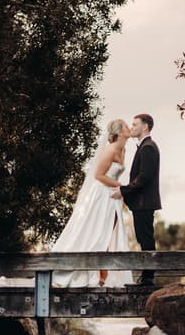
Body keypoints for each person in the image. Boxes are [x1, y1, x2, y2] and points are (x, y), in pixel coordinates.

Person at [52, 118, 134, 288]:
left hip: (113, 196)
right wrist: (122, 187)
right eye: (127, 126)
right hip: (101, 195)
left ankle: (103, 272)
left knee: (109, 233)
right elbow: (99, 175)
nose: (129, 128)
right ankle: (96, 274)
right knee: (98, 233)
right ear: (119, 132)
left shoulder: (123, 149)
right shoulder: (110, 150)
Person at [111, 113, 161, 286]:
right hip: (141, 203)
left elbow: (144, 177)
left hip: (144, 202)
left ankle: (148, 277)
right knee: (143, 237)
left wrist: (123, 191)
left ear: (145, 126)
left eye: (135, 125)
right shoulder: (144, 146)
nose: (132, 128)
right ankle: (147, 276)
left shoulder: (148, 147)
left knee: (146, 238)